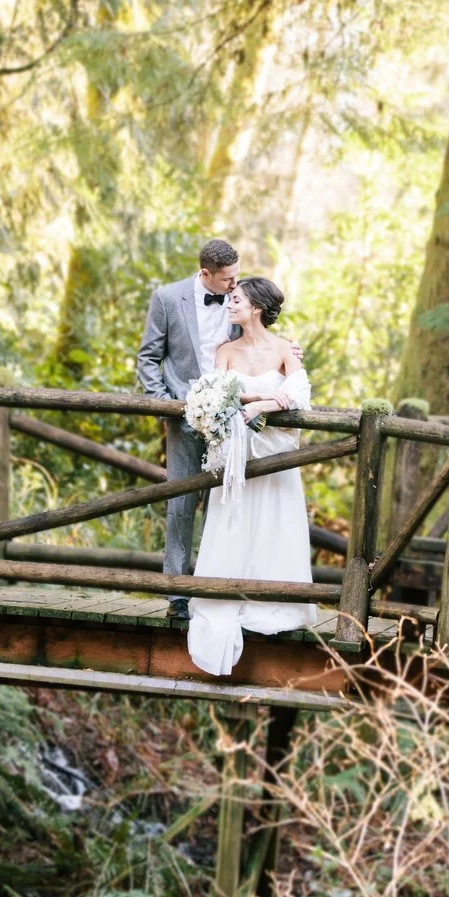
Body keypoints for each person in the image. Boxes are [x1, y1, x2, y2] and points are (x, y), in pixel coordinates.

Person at [187, 277, 316, 676]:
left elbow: (300, 394)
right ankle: (225, 595)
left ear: (256, 307)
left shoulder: (284, 349)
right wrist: (256, 399)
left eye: (236, 299)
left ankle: (273, 602)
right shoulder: (224, 351)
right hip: (238, 453)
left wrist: (265, 406)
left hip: (274, 452)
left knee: (274, 522)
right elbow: (214, 394)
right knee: (233, 523)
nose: (229, 304)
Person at [137, 239, 240, 618]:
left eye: (237, 276)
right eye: (227, 279)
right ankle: (176, 592)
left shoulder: (238, 296)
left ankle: (212, 587)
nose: (234, 285)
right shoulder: (167, 298)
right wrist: (165, 403)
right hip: (183, 419)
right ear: (205, 274)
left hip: (229, 419)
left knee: (224, 502)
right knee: (180, 503)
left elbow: (258, 338)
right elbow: (149, 357)